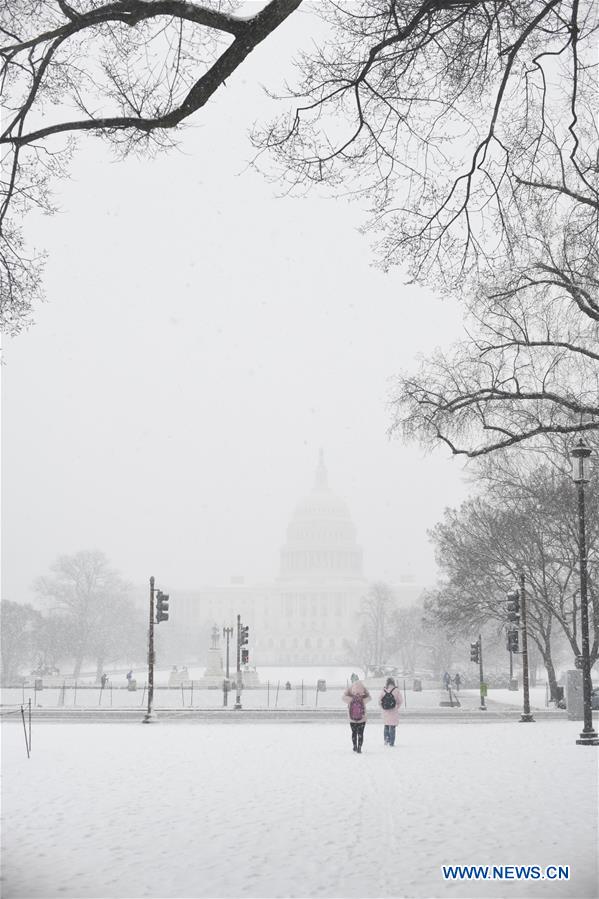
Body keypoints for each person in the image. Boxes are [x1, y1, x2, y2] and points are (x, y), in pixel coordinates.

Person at [343, 673, 371, 753]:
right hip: (362, 716)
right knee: (361, 733)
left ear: (352, 680)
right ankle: (359, 747)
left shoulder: (350, 688)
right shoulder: (363, 687)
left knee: (354, 732)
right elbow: (369, 698)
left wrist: (351, 700)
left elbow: (343, 698)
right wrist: (362, 700)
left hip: (352, 716)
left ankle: (354, 746)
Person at [379, 677, 403, 746]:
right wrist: (396, 707)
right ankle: (391, 743)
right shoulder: (396, 690)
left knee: (386, 725)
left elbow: (379, 701)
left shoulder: (384, 690)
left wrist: (383, 707)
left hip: (385, 711)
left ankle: (386, 740)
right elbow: (400, 701)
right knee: (392, 727)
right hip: (393, 711)